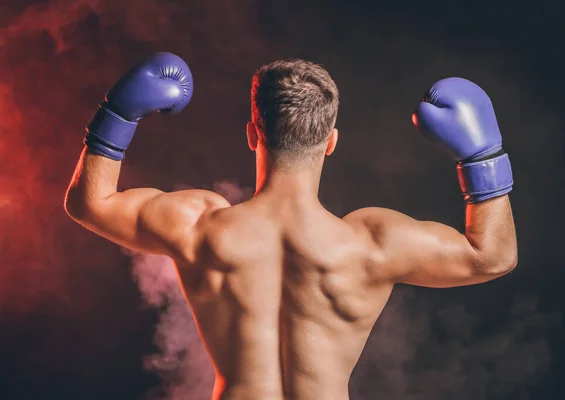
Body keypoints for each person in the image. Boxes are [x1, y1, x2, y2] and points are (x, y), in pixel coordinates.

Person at [65, 53, 517, 400]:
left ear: (252, 134)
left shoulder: (199, 227)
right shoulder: (370, 243)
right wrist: (482, 159)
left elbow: (90, 204)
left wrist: (118, 114)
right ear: (331, 142)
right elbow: (492, 255)